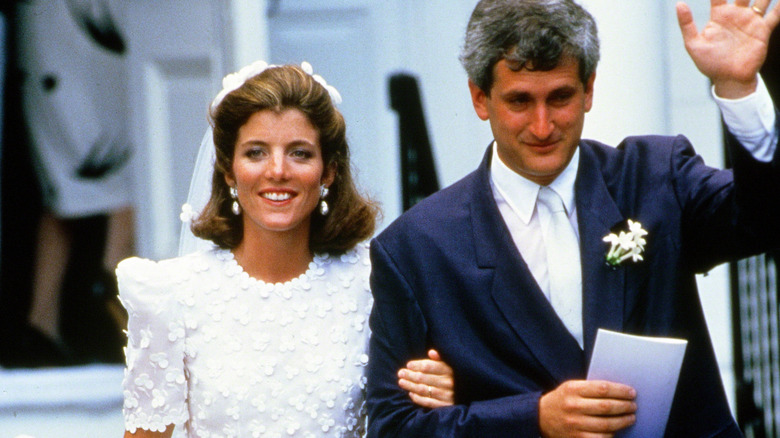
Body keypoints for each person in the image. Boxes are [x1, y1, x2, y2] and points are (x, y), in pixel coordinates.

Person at [365, 0, 780, 436]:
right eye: (520, 101)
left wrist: (739, 89)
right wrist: (535, 418)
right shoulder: (417, 248)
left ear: (589, 90)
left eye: (560, 97)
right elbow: (395, 428)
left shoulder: (657, 177)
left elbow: (764, 218)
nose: (542, 126)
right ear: (479, 98)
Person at [117, 62, 455, 437]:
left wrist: (442, 388)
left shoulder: (377, 285)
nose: (277, 171)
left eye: (300, 153)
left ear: (328, 171)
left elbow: (410, 416)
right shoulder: (171, 294)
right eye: (256, 153)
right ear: (229, 170)